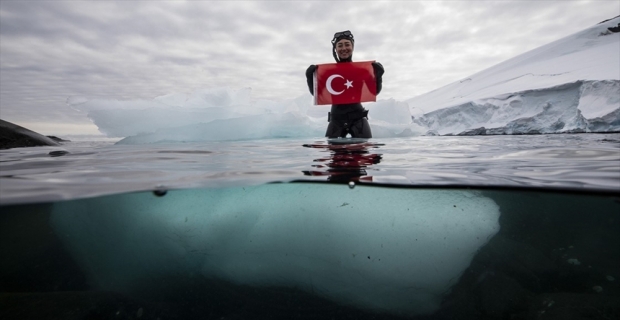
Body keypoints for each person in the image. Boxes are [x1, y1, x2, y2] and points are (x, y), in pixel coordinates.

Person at [305, 30, 384, 139]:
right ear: (335, 49)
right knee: (335, 155)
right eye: (340, 45)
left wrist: (379, 77)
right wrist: (309, 78)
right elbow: (316, 94)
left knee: (363, 155)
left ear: (352, 47)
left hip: (358, 119)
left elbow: (374, 92)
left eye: (347, 44)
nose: (344, 48)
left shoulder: (361, 71)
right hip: (336, 120)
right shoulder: (328, 73)